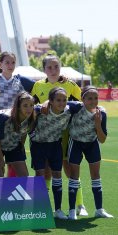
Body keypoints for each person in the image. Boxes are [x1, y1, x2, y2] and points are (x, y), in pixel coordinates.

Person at [31, 54, 87, 216]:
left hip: (67, 135)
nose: (53, 70)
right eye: (49, 67)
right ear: (44, 69)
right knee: (47, 170)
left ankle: (79, 204)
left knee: (70, 169)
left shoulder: (70, 84)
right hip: (46, 137)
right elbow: (31, 108)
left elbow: (83, 104)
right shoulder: (38, 86)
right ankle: (45, 205)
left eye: (56, 66)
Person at [29, 87, 79, 219]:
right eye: (58, 100)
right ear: (50, 101)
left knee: (57, 175)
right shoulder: (40, 109)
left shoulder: (70, 109)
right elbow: (25, 111)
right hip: (38, 145)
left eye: (64, 100)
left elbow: (86, 103)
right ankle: (39, 209)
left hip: (55, 145)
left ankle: (57, 210)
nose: (62, 103)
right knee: (40, 175)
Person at [67, 86, 113, 219]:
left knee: (96, 175)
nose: (93, 101)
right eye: (90, 98)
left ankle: (99, 209)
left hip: (92, 144)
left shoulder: (101, 113)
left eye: (96, 98)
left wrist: (98, 125)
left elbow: (102, 139)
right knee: (74, 176)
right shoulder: (75, 107)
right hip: (75, 142)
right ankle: (71, 211)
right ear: (82, 99)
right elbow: (61, 102)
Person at [0, 92, 35, 177]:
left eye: (31, 105)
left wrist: (21, 145)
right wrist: (0, 158)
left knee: (23, 176)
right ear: (18, 107)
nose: (29, 109)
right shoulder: (6, 118)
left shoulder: (31, 118)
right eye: (25, 106)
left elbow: (24, 133)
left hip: (14, 146)